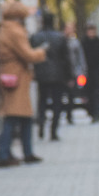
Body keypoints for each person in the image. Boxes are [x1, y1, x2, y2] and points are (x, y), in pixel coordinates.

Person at [0, 0, 46, 167]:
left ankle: (24, 152)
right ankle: (5, 154)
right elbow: (27, 54)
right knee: (13, 115)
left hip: (11, 75)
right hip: (17, 76)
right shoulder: (15, 31)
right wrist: (41, 52)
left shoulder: (4, 29)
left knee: (21, 115)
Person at [30, 12, 69, 141]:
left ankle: (41, 124)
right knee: (57, 103)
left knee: (42, 101)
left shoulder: (35, 37)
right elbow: (66, 58)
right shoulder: (60, 37)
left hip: (41, 74)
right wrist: (69, 76)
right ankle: (53, 131)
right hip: (58, 74)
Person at [81, 24, 99, 122]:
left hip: (97, 72)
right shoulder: (84, 42)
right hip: (87, 72)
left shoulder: (98, 42)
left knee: (97, 93)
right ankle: (91, 112)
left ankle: (97, 113)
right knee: (89, 93)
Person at [64, 22, 85, 124]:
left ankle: (69, 115)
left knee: (71, 95)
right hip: (62, 74)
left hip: (73, 73)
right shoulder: (61, 41)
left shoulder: (75, 42)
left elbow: (80, 58)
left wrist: (81, 70)